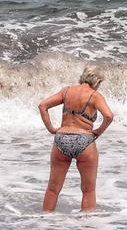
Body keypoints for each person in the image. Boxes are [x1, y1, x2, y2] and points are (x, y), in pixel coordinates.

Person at [38, 66, 114, 211]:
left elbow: (43, 105)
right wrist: (98, 131)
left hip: (62, 139)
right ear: (97, 82)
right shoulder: (95, 96)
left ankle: (46, 224)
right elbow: (109, 116)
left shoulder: (66, 91)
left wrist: (51, 129)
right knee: (88, 190)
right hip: (84, 141)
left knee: (53, 189)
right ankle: (86, 229)